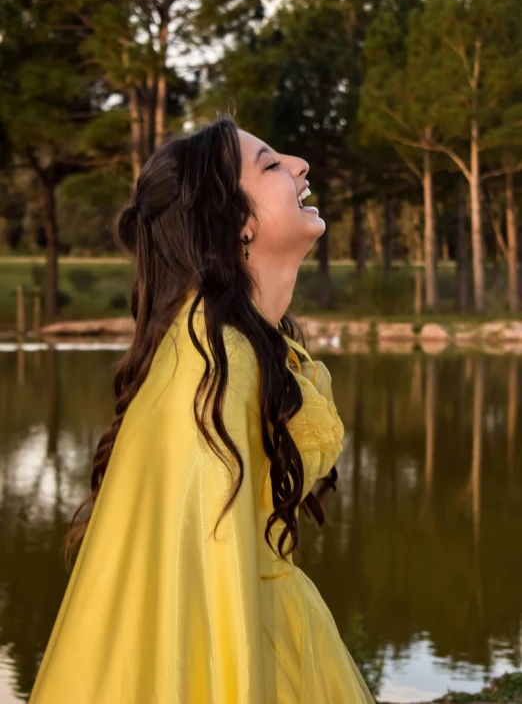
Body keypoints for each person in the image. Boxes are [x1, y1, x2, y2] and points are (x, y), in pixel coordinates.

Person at [28, 116, 375, 703]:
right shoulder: (214, 368)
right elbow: (203, 584)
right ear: (236, 222)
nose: (300, 164)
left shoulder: (241, 344)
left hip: (279, 635)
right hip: (238, 650)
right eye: (270, 164)